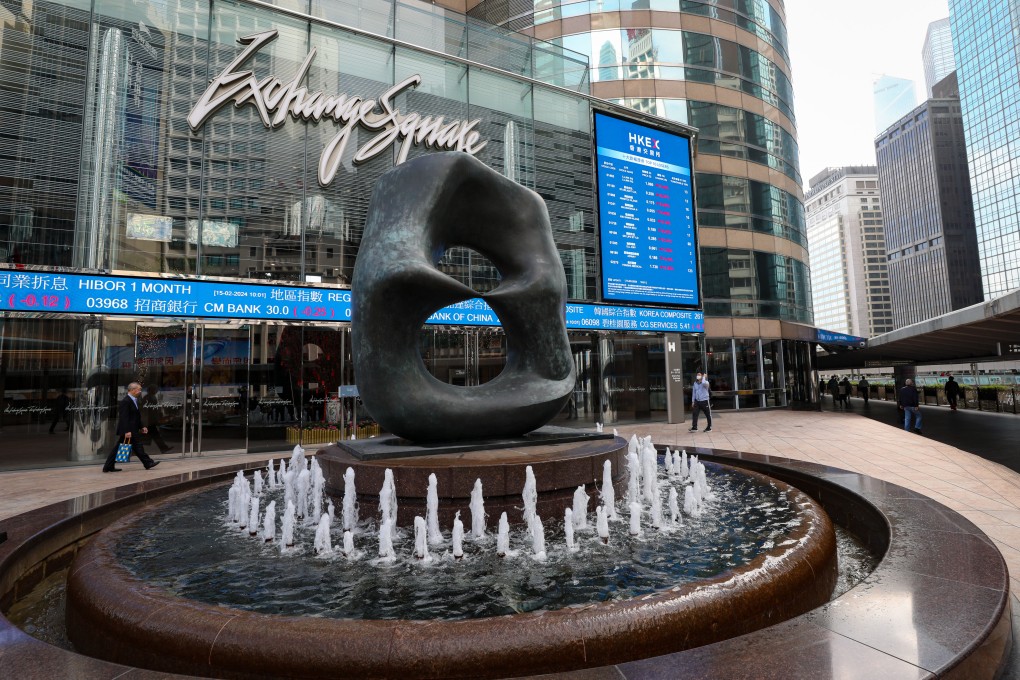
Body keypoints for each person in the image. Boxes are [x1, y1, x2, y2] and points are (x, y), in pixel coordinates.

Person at [102, 382, 160, 472]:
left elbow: (135, 417)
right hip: (129, 430)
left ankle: (108, 466)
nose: (140, 391)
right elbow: (124, 418)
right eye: (139, 389)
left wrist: (142, 427)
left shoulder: (133, 400)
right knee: (138, 446)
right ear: (132, 390)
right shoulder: (126, 401)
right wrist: (126, 431)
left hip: (133, 429)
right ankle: (148, 463)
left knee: (119, 448)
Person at [141, 385, 173, 454]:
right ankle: (163, 448)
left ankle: (163, 448)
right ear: (151, 390)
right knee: (152, 435)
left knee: (155, 435)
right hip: (149, 420)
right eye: (155, 389)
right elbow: (149, 410)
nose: (156, 391)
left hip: (150, 420)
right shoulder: (149, 397)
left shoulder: (151, 397)